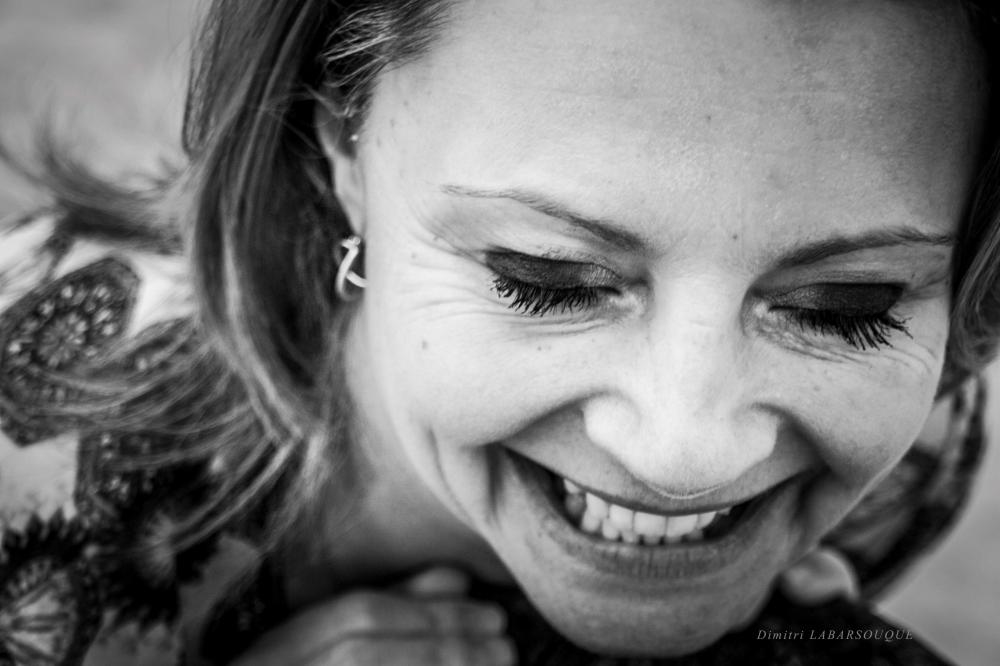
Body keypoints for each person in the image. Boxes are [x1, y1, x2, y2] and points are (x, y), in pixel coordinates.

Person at [0, 0, 996, 664]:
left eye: (844, 309)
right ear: (342, 141)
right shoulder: (27, 468)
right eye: (547, 281)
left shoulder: (911, 460)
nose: (685, 458)